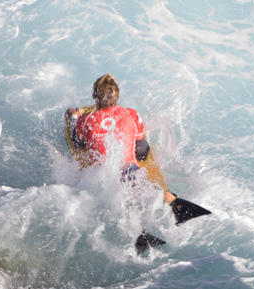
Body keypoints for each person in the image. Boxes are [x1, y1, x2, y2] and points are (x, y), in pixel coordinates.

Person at [65, 73, 177, 206]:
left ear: (94, 97)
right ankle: (170, 200)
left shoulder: (86, 119)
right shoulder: (131, 114)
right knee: (144, 194)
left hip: (98, 176)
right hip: (129, 170)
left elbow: (77, 145)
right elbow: (141, 151)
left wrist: (75, 119)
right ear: (117, 96)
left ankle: (72, 117)